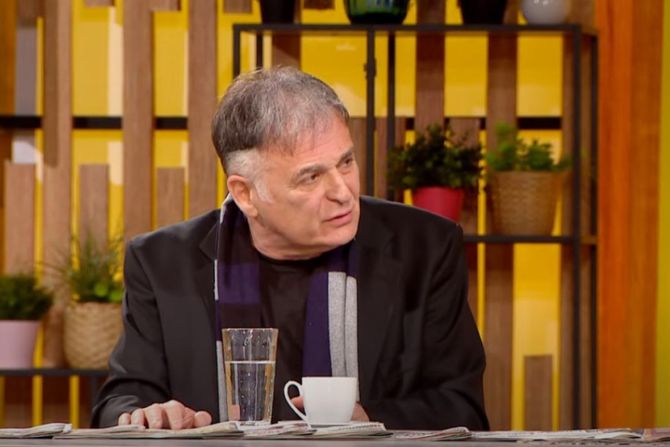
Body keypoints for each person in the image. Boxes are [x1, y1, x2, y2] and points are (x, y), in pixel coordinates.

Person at [91, 66, 489, 431]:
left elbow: (462, 407)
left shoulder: (425, 249)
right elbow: (119, 401)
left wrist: (369, 421)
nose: (342, 192)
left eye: (346, 162)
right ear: (246, 194)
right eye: (311, 177)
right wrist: (146, 415)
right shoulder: (162, 264)